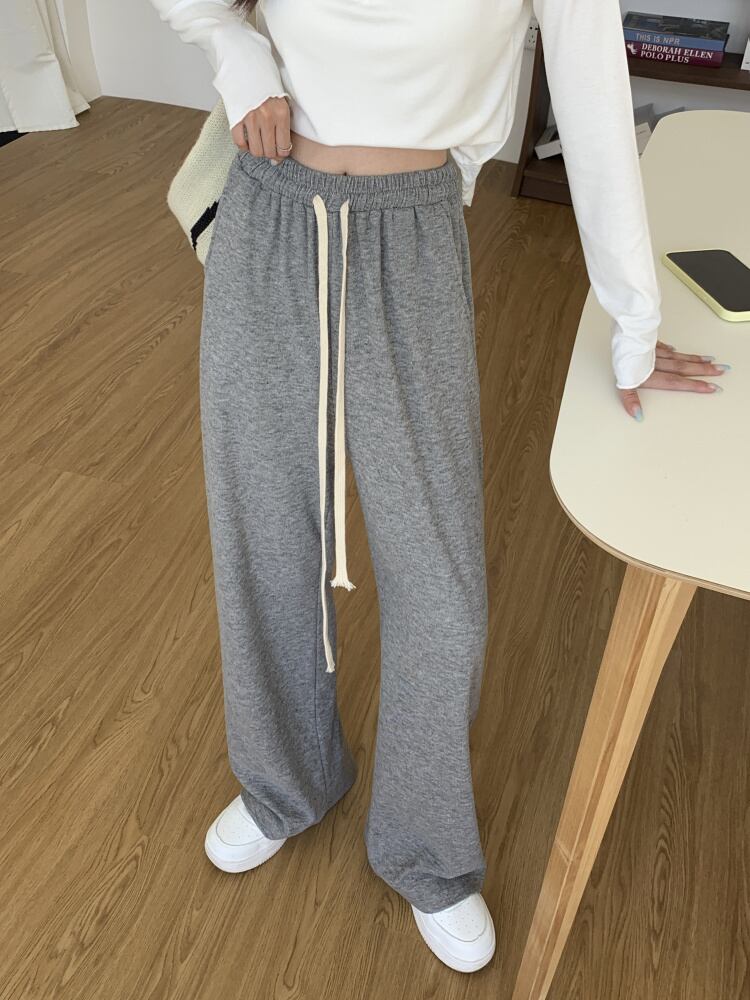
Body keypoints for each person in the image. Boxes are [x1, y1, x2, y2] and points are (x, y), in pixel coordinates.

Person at [148, 0, 727, 974]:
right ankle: (286, 781)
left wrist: (634, 324)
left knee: (440, 583)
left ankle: (425, 845)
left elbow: (593, 100)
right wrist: (231, 45)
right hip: (266, 213)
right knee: (263, 533)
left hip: (410, 233)